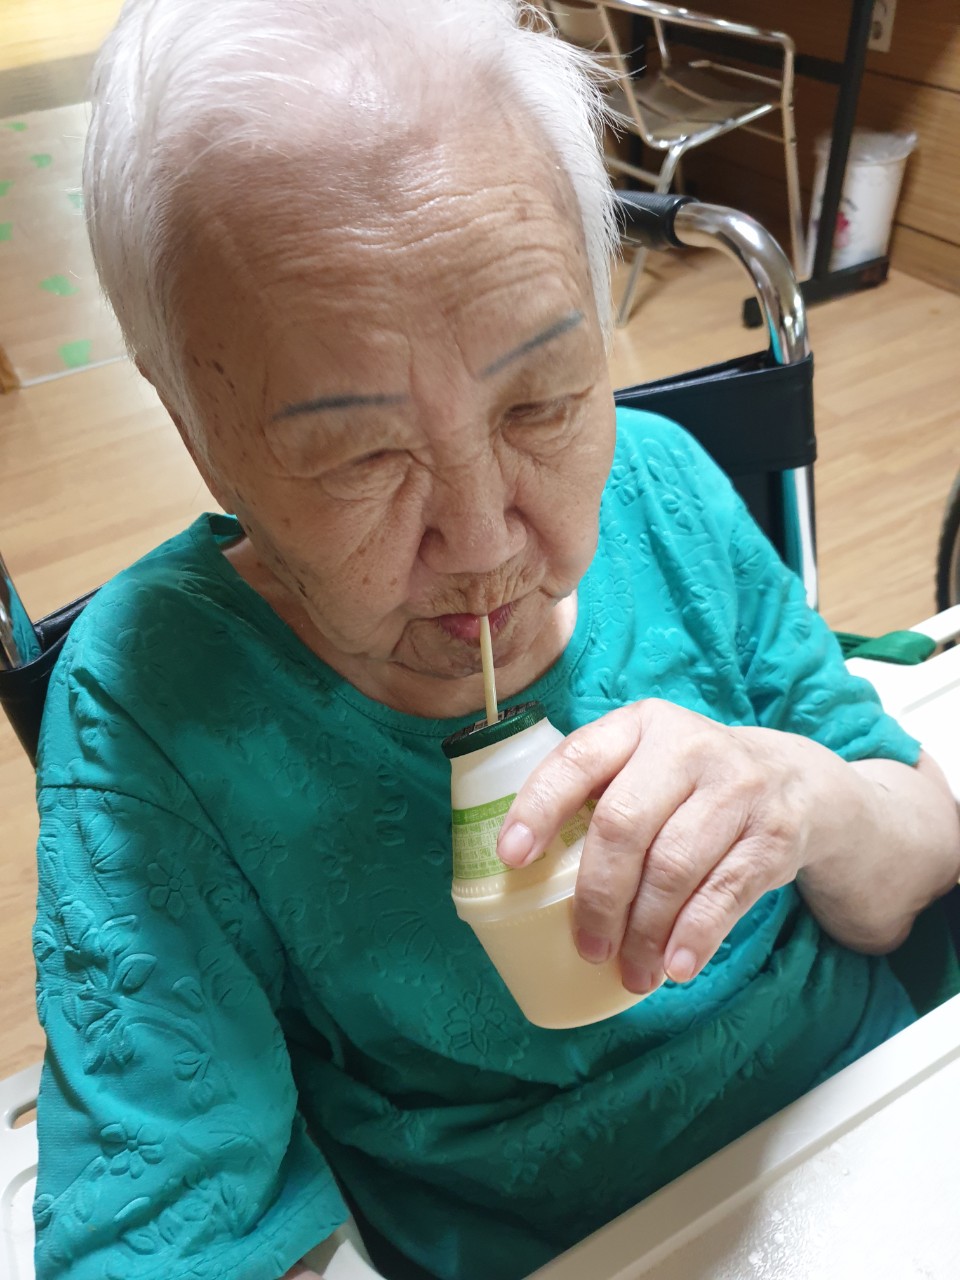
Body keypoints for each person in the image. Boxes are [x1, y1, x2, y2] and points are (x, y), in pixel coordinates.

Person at [31, 1, 960, 1278]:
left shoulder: (663, 488)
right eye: (360, 456)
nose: (481, 541)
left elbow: (923, 842)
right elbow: (171, 1227)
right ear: (196, 430)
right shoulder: (156, 700)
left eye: (543, 400)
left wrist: (802, 794)